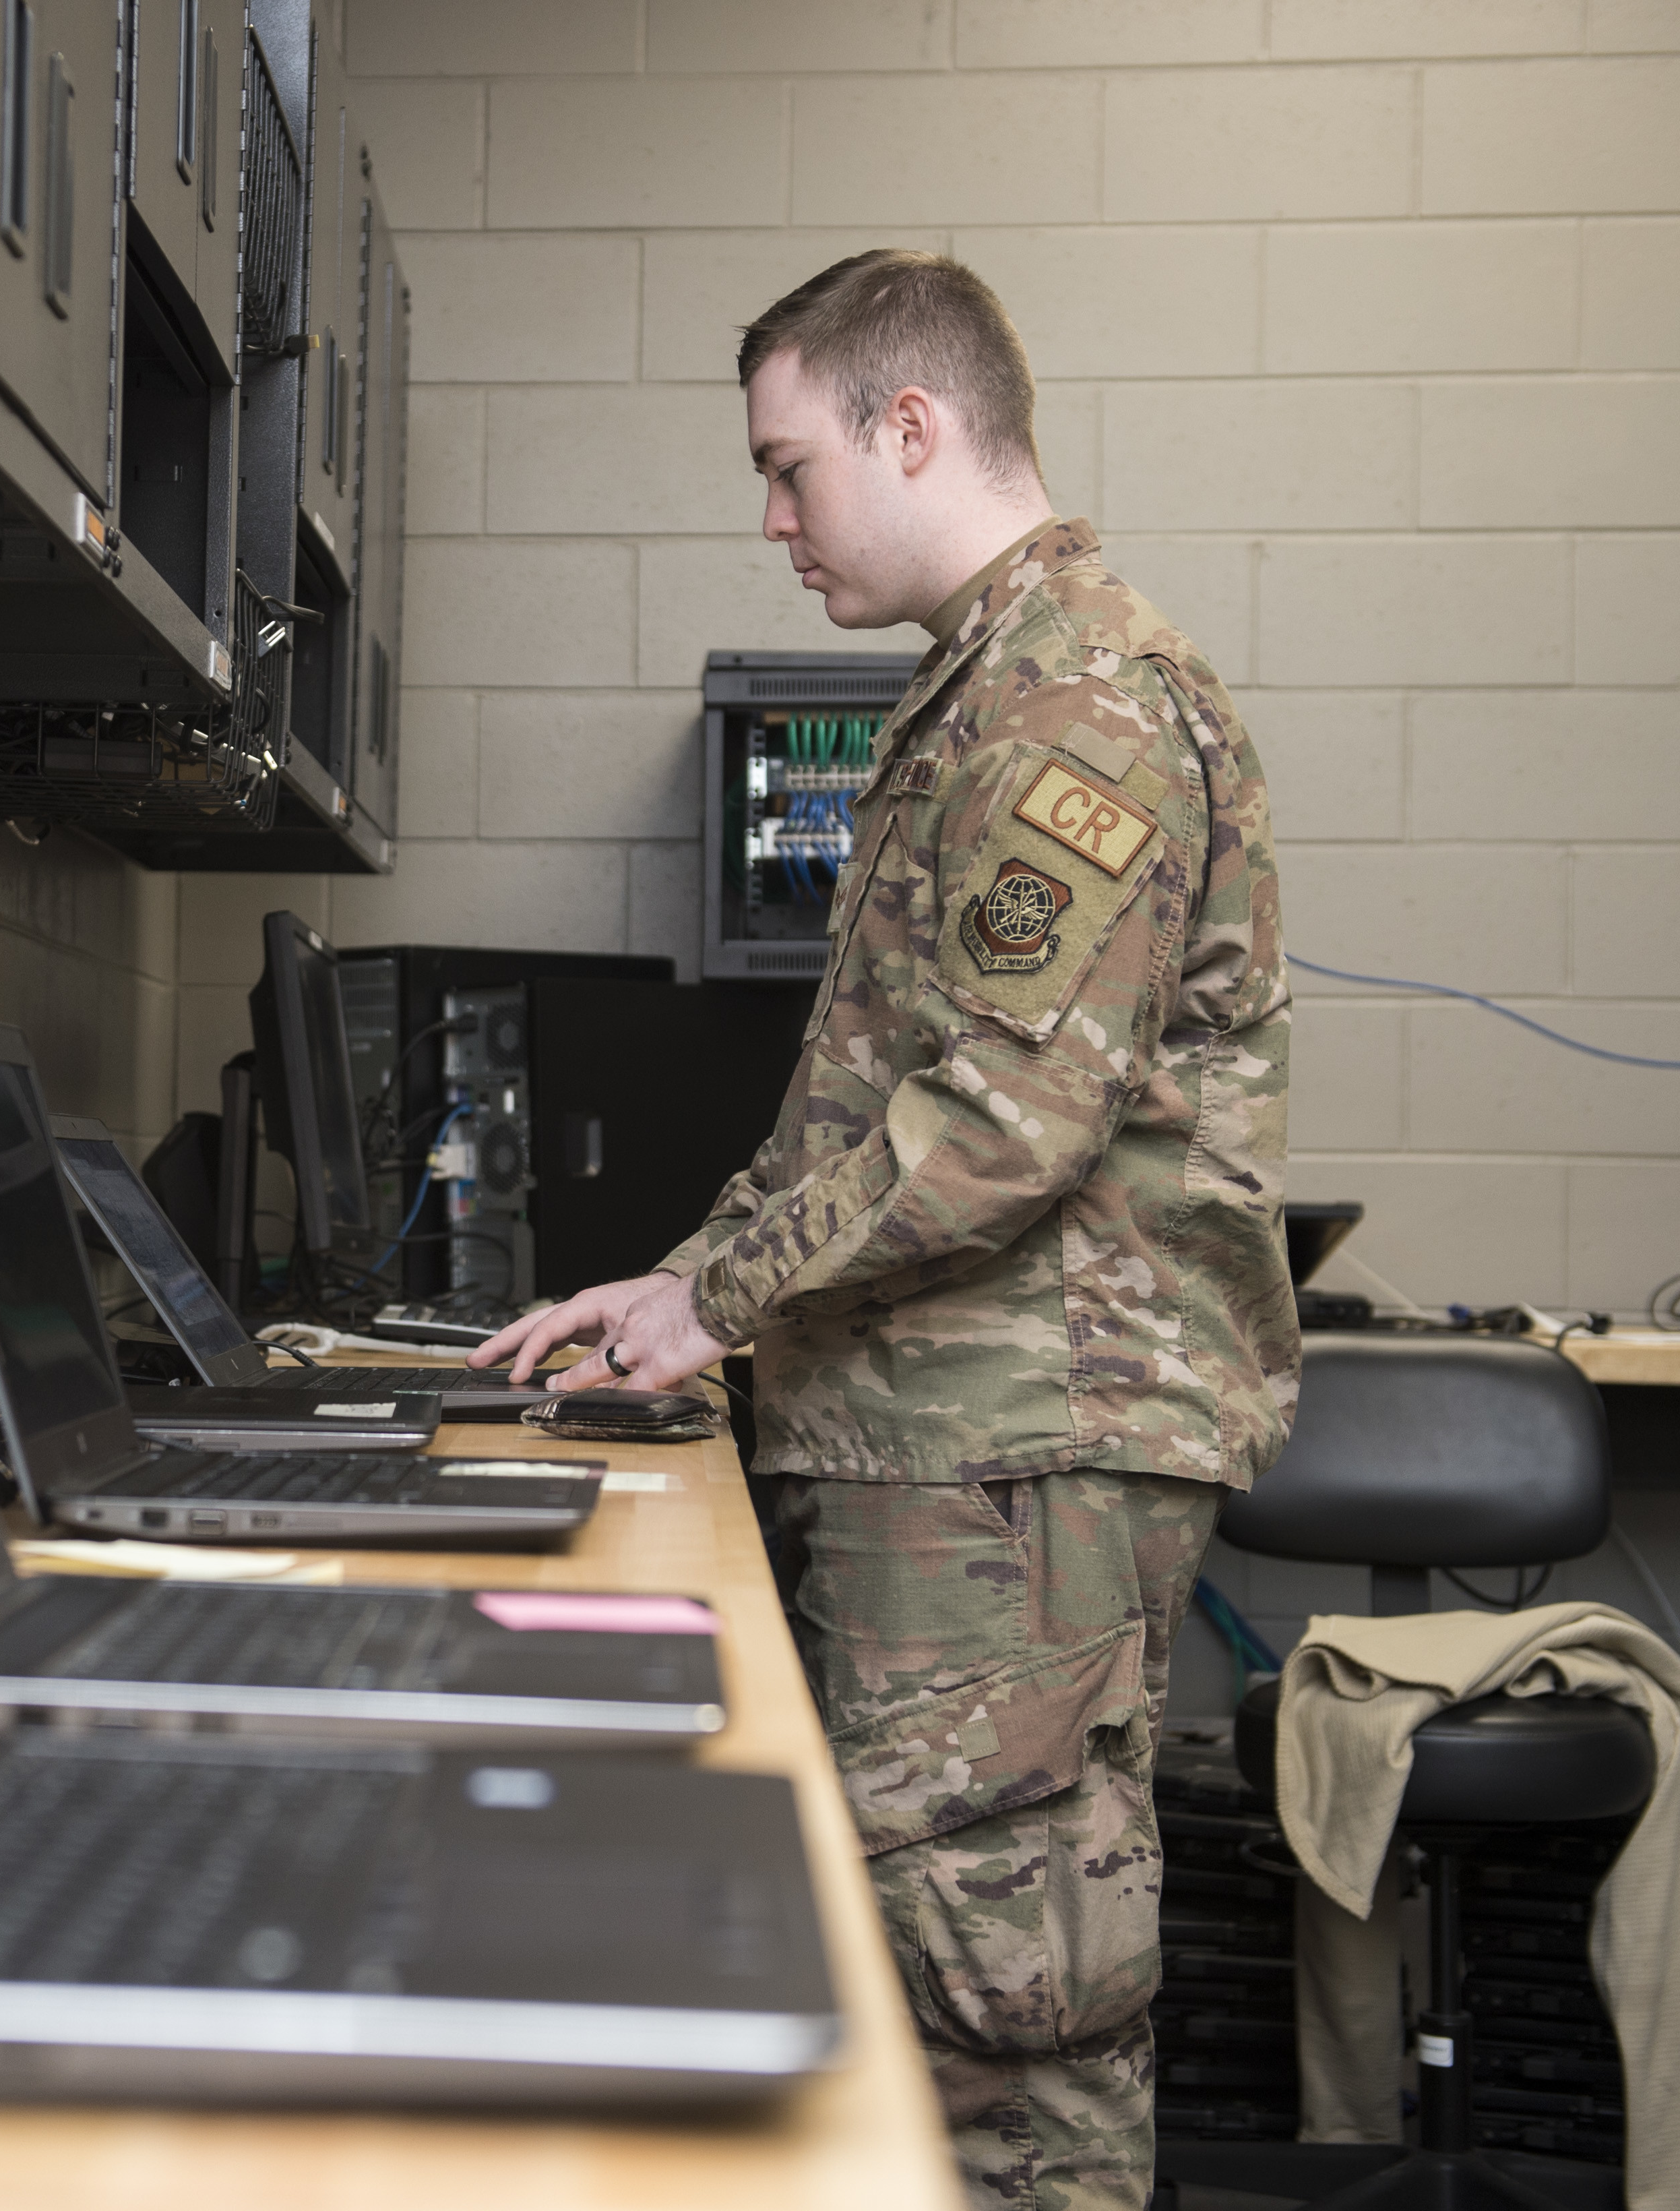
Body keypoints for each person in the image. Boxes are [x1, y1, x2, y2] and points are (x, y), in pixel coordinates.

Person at [474, 251, 1295, 2211]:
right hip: (946, 1441)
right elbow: (869, 1101)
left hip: (1012, 1453)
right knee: (941, 1981)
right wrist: (679, 1283)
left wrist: (722, 1299)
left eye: (786, 466)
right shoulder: (982, 686)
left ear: (906, 423)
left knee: (1004, 2013)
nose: (770, 520)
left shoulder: (1074, 699)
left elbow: (1001, 1121)